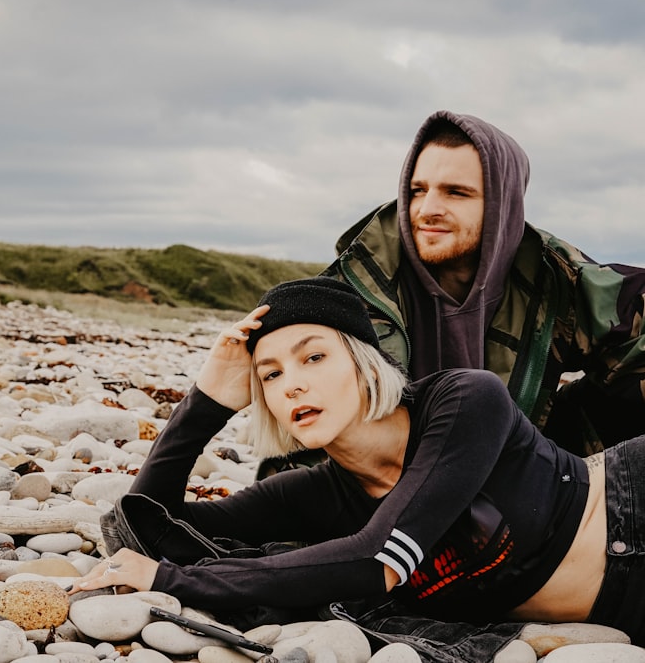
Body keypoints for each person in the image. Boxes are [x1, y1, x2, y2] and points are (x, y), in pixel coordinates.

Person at [69, 277, 645, 660]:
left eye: (314, 357)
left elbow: (379, 560)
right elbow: (149, 530)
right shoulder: (315, 496)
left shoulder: (466, 401)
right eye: (269, 374)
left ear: (364, 363)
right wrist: (204, 405)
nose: (292, 382)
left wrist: (173, 582)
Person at [316, 110, 645, 458]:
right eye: (417, 190)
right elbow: (304, 420)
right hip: (382, 483)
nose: (427, 209)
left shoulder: (551, 277)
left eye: (456, 193)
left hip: (509, 479)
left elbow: (630, 310)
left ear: (502, 205)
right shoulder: (355, 287)